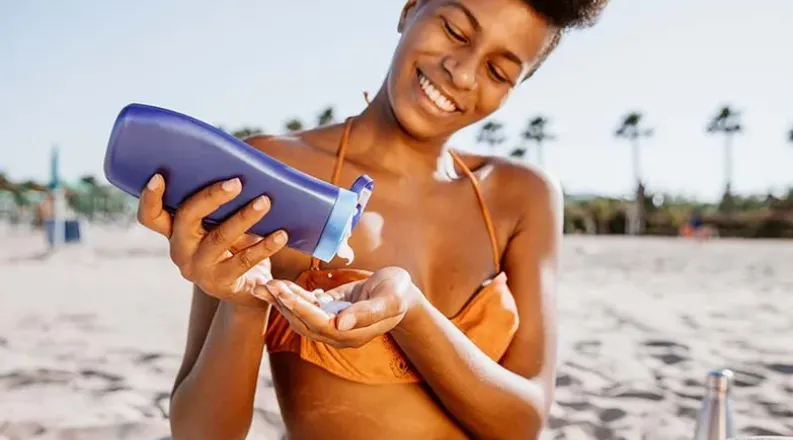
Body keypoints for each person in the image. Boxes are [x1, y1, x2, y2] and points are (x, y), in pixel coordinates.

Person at [137, 0, 609, 438]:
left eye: (498, 71)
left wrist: (411, 312)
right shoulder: (274, 171)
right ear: (410, 8)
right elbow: (200, 431)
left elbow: (521, 422)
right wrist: (242, 307)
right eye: (455, 30)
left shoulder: (521, 196)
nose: (462, 73)